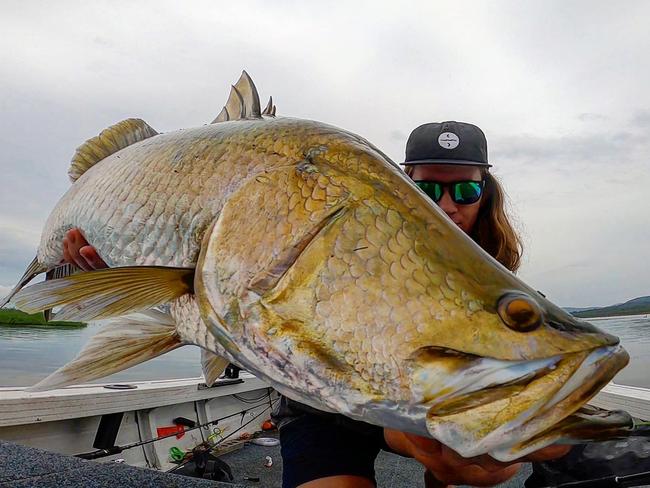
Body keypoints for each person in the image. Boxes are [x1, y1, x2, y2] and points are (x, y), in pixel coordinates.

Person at [60, 121, 570, 487]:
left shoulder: (501, 284)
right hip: (323, 404)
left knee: (464, 462)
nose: (446, 205)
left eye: (464, 188)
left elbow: (548, 418)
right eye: (424, 188)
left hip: (401, 407)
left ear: (487, 192)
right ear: (403, 184)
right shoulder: (351, 234)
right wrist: (100, 270)